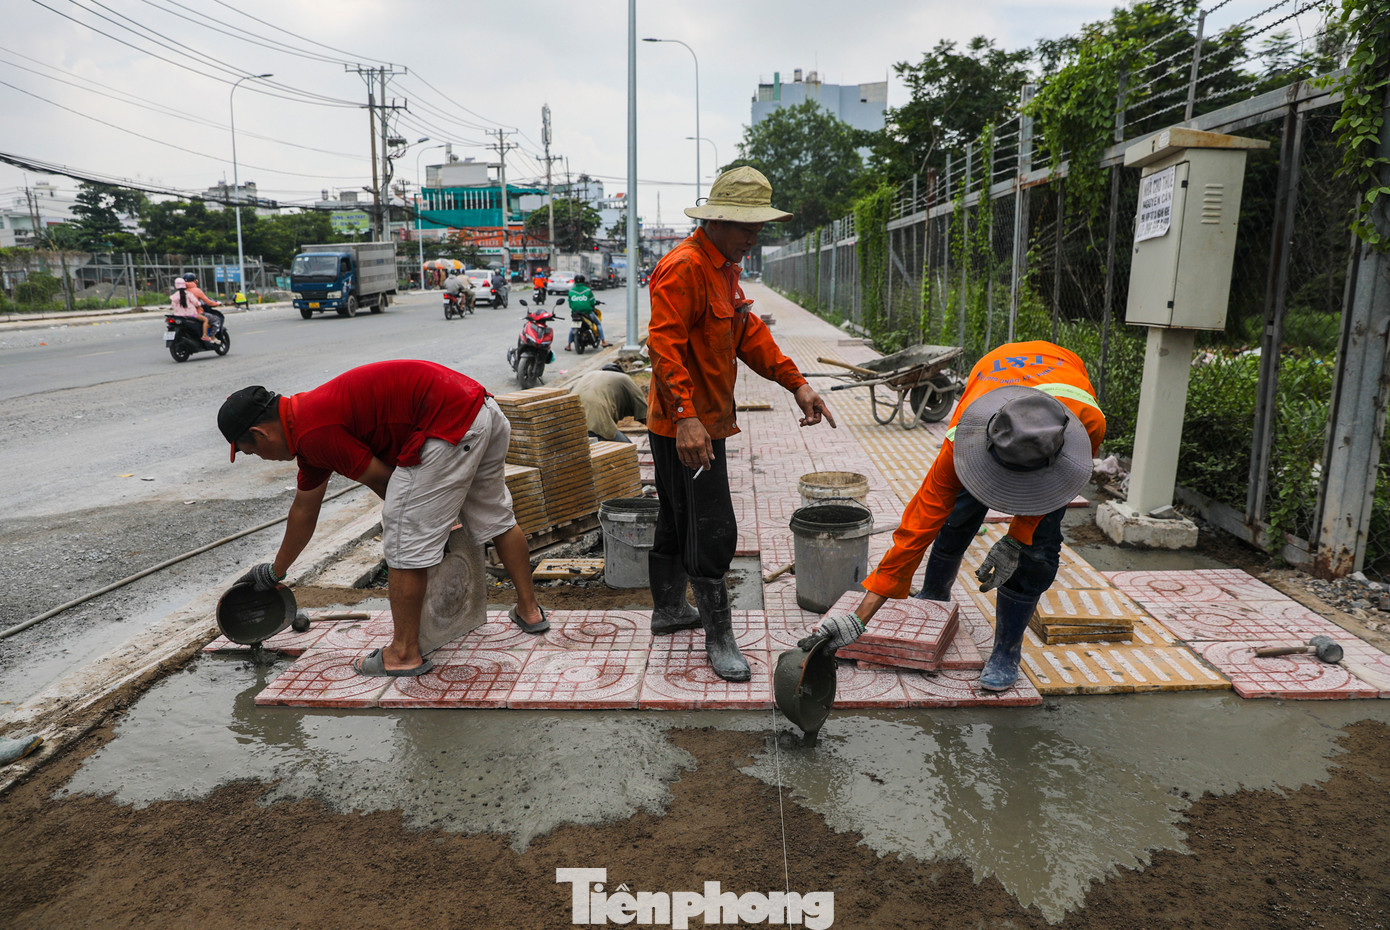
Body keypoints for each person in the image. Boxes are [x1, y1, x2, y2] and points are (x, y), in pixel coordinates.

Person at [219, 360, 551, 678]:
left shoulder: (314, 432)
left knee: (403, 537)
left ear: (260, 433)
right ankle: (530, 611)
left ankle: (403, 653)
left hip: (448, 425)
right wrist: (275, 571)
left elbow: (385, 482)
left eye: (251, 452)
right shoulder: (307, 425)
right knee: (496, 516)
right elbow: (305, 510)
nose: (262, 458)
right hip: (480, 410)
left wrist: (427, 521)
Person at [813, 341, 1106, 692]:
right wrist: (859, 619)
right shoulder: (962, 439)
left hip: (1061, 382)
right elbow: (918, 527)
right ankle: (936, 593)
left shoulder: (1086, 424)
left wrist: (1017, 537)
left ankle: (1006, 650)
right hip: (997, 370)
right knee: (955, 516)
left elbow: (1059, 487)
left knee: (1039, 551)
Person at [646, 165, 837, 682]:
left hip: (700, 423)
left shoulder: (725, 268)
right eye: (747, 229)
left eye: (759, 229)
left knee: (676, 518)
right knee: (711, 528)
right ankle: (719, 637)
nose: (754, 238)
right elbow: (662, 348)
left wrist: (796, 383)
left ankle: (668, 611)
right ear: (719, 220)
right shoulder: (684, 267)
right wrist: (686, 420)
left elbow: (748, 335)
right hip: (686, 428)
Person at [569, 365, 646, 442]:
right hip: (595, 422)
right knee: (629, 449)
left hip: (568, 421)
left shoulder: (588, 375)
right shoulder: (623, 378)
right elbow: (644, 412)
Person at [564, 274, 610, 350]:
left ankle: (568, 345)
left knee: (572, 328)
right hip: (587, 313)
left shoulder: (571, 291)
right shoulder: (588, 290)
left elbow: (570, 304)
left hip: (575, 314)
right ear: (584, 281)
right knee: (598, 323)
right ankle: (603, 341)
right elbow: (592, 302)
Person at [170, 278, 216, 344]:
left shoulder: (174, 296)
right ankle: (205, 335)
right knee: (205, 320)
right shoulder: (188, 294)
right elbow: (196, 303)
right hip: (191, 315)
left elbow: (173, 306)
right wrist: (200, 304)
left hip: (178, 316)